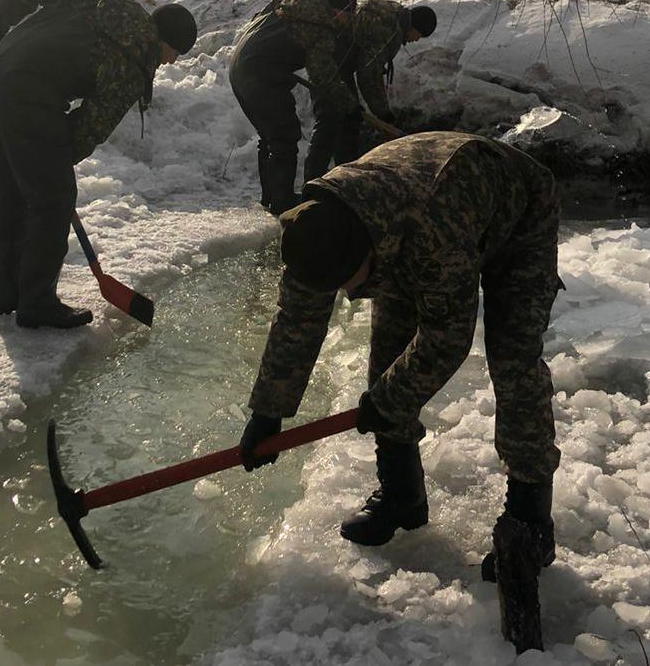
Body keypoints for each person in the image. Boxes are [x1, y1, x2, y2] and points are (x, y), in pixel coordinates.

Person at [237, 131, 561, 651]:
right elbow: (298, 316)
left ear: (369, 251)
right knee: (387, 352)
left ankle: (530, 518)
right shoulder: (314, 229)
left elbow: (446, 338)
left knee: (514, 358)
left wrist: (386, 402)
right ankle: (403, 495)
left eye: (350, 283)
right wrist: (269, 412)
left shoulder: (434, 231)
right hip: (409, 217)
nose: (345, 296)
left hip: (512, 213)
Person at [0, 0, 197, 329]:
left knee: (4, 193)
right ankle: (36, 302)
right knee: (54, 199)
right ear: (166, 43)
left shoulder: (96, 3)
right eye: (175, 53)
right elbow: (92, 126)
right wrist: (56, 160)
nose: (170, 62)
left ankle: (4, 293)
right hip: (26, 96)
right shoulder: (136, 58)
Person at [229, 0, 359, 215]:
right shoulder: (322, 25)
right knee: (284, 136)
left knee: (269, 136)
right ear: (340, 10)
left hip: (239, 66)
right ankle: (283, 202)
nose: (348, 22)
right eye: (349, 15)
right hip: (259, 74)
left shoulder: (294, 3)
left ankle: (270, 199)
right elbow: (323, 75)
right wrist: (350, 106)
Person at [303, 1, 437, 181]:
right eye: (419, 34)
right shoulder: (389, 31)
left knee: (338, 121)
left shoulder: (391, 14)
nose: (416, 40)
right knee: (339, 122)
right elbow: (368, 75)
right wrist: (383, 114)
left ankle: (331, 180)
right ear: (415, 25)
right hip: (331, 63)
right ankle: (335, 182)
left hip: (331, 58)